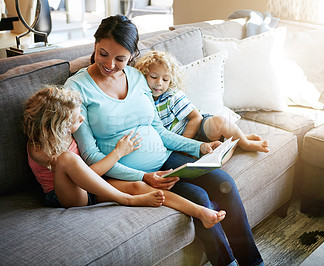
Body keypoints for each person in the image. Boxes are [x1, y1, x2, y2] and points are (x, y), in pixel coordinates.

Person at [64, 14, 264, 266]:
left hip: (165, 158)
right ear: (94, 44)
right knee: (200, 198)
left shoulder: (137, 78)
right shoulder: (76, 88)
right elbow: (91, 156)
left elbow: (158, 129)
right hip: (129, 173)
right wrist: (144, 177)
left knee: (224, 182)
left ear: (132, 56)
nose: (110, 64)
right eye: (103, 54)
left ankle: (253, 262)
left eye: (120, 59)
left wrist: (200, 146)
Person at [23, 85, 226, 229]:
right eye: (78, 119)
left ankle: (201, 212)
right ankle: (126, 200)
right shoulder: (40, 149)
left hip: (91, 186)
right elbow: (84, 176)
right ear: (60, 126)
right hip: (66, 196)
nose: (83, 120)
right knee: (67, 159)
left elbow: (89, 177)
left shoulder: (66, 132)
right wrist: (118, 152)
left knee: (140, 187)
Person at [135, 51, 269, 153]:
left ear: (170, 81)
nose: (159, 83)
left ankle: (245, 143)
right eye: (153, 77)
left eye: (165, 80)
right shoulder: (143, 101)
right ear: (144, 74)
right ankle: (239, 136)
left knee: (219, 122)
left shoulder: (172, 96)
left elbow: (196, 117)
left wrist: (188, 143)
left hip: (198, 127)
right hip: (181, 141)